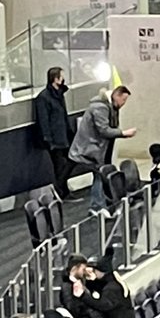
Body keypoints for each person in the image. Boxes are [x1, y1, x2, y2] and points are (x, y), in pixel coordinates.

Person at [67, 86, 135, 216]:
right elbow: (104, 130)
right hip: (89, 150)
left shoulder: (110, 107)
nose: (124, 103)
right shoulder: (100, 108)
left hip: (97, 149)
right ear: (116, 96)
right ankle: (97, 206)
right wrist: (123, 133)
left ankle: (103, 203)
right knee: (99, 175)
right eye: (123, 100)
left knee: (102, 175)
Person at [33, 67, 72, 199]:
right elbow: (43, 120)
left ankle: (64, 190)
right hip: (55, 139)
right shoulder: (43, 98)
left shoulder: (60, 94)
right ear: (56, 79)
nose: (63, 79)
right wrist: (48, 139)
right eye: (62, 76)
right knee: (59, 166)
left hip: (63, 136)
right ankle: (60, 192)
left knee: (67, 164)